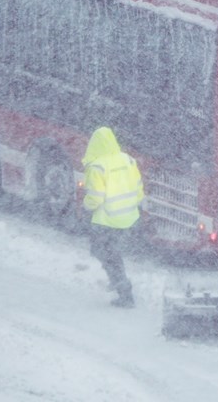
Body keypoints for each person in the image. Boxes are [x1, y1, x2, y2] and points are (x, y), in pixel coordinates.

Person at [81, 126, 144, 308]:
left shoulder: (97, 167)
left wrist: (85, 206)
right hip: (129, 217)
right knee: (112, 253)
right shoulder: (128, 160)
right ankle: (116, 280)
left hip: (107, 221)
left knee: (105, 253)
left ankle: (124, 292)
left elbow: (95, 199)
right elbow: (139, 190)